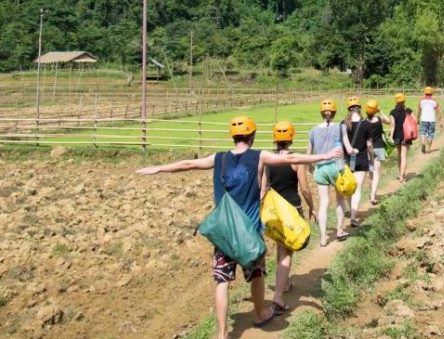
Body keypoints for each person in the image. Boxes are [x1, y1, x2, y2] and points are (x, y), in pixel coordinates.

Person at [137, 116, 342, 337]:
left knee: (222, 281)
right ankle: (261, 313)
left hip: (224, 234)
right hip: (249, 234)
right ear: (252, 136)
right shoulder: (259, 157)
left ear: (232, 136)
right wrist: (325, 155)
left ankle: (223, 333)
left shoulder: (219, 158)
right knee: (256, 275)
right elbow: (290, 158)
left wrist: (158, 168)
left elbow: (189, 164)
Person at [261, 120, 315, 311]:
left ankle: (283, 283)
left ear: (275, 139)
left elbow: (263, 187)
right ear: (291, 138)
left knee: (280, 246)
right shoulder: (295, 160)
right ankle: (277, 295)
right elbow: (305, 188)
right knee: (287, 251)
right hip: (292, 209)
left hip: (275, 211)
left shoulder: (268, 160)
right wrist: (312, 207)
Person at [307, 99, 350, 246]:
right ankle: (339, 230)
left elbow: (309, 152)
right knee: (340, 200)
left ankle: (323, 237)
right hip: (337, 167)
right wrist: (354, 152)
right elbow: (348, 148)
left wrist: (310, 165)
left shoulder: (313, 130)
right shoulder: (340, 127)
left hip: (321, 168)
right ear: (334, 112)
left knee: (324, 203)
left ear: (322, 112)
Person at [342, 96, 369, 227]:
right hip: (362, 158)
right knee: (357, 189)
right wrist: (373, 158)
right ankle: (353, 216)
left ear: (348, 108)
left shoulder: (343, 124)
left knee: (348, 188)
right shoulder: (365, 124)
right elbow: (369, 144)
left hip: (347, 160)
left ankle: (351, 208)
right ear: (360, 108)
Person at [364, 99, 391, 205]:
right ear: (375, 110)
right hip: (379, 148)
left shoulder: (364, 122)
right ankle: (373, 196)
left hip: (367, 149)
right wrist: (380, 111)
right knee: (376, 174)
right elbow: (389, 122)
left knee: (370, 173)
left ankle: (371, 193)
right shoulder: (379, 119)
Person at [389, 93, 411, 183]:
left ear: (396, 102)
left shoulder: (392, 112)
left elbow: (392, 126)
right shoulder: (408, 111)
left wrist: (391, 137)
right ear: (404, 101)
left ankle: (400, 174)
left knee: (399, 155)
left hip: (397, 136)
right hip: (407, 136)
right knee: (404, 156)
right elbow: (414, 121)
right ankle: (402, 176)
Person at [417, 87, 439, 154]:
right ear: (431, 93)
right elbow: (438, 112)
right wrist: (440, 121)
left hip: (423, 119)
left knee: (423, 132)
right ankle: (429, 149)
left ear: (425, 93)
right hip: (432, 120)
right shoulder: (434, 101)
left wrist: (418, 118)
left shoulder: (421, 101)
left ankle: (423, 143)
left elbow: (419, 111)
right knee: (431, 134)